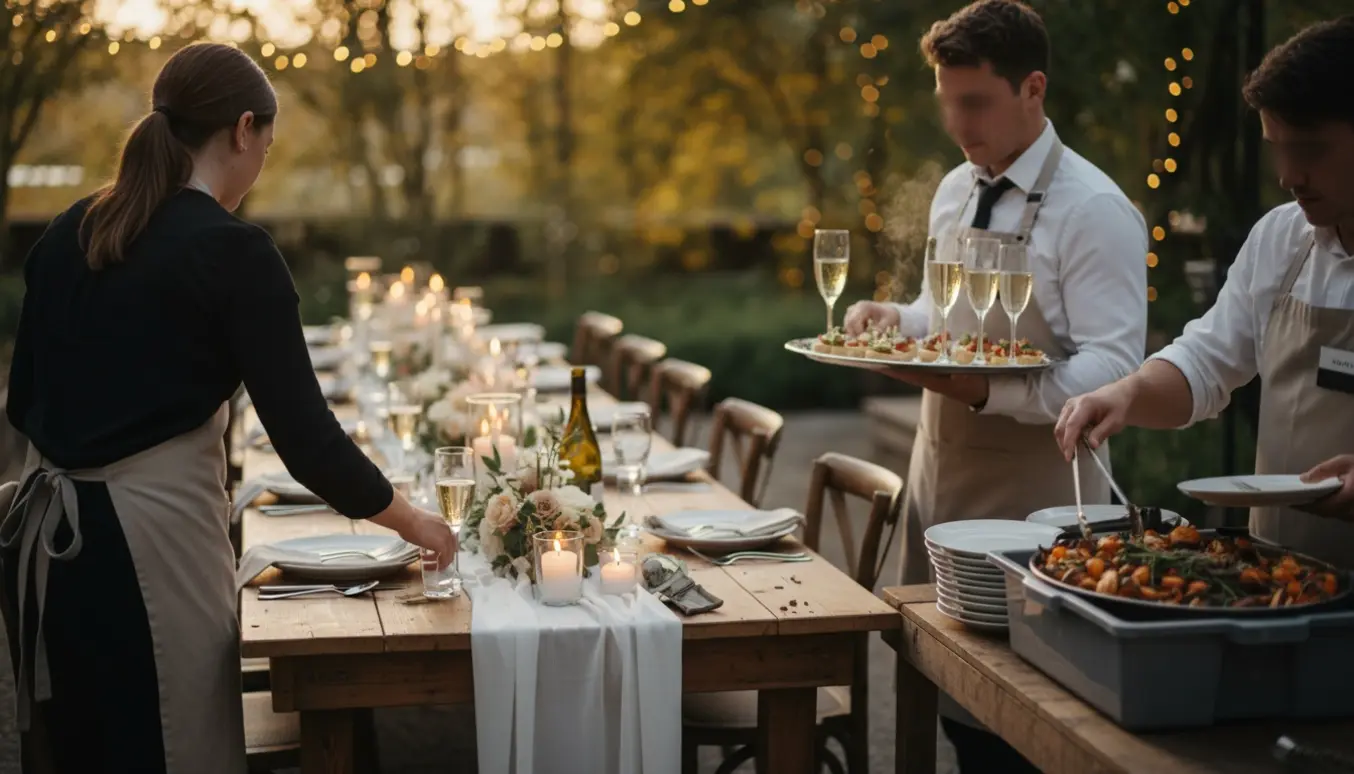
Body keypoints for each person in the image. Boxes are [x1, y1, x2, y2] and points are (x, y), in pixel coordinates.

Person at [0, 43, 456, 774]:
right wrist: (415, 521)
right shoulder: (233, 251)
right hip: (153, 554)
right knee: (169, 749)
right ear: (243, 130)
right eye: (266, 147)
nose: (260, 168)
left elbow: (21, 401)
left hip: (55, 560)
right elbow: (307, 440)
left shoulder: (68, 231)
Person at [842, 1, 1147, 770]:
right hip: (940, 482)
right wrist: (896, 319)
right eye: (946, 99)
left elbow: (1115, 367)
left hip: (1038, 503)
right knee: (947, 702)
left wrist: (988, 393)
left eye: (973, 101)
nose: (955, 119)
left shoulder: (1096, 209)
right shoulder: (954, 188)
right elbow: (942, 313)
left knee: (1019, 730)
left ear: (1033, 88)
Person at [1056, 16, 1354, 562]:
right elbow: (1207, 361)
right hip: (1280, 586)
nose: (1289, 175)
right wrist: (1127, 393)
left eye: (1310, 149)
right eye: (1276, 148)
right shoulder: (1281, 240)